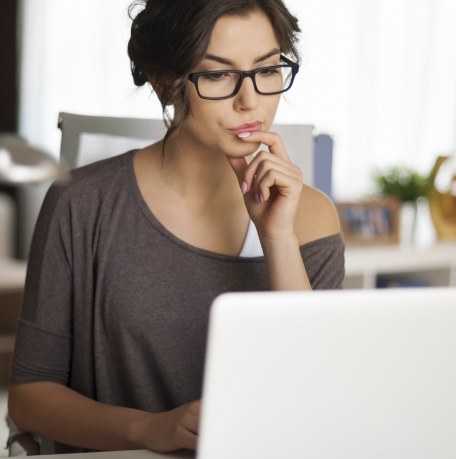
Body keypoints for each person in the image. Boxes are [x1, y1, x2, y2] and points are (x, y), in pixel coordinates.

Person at [8, 0, 344, 454]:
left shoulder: (309, 215)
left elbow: (316, 398)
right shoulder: (81, 203)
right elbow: (31, 398)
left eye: (267, 70)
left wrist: (277, 237)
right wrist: (149, 429)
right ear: (165, 83)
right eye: (217, 74)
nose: (251, 100)